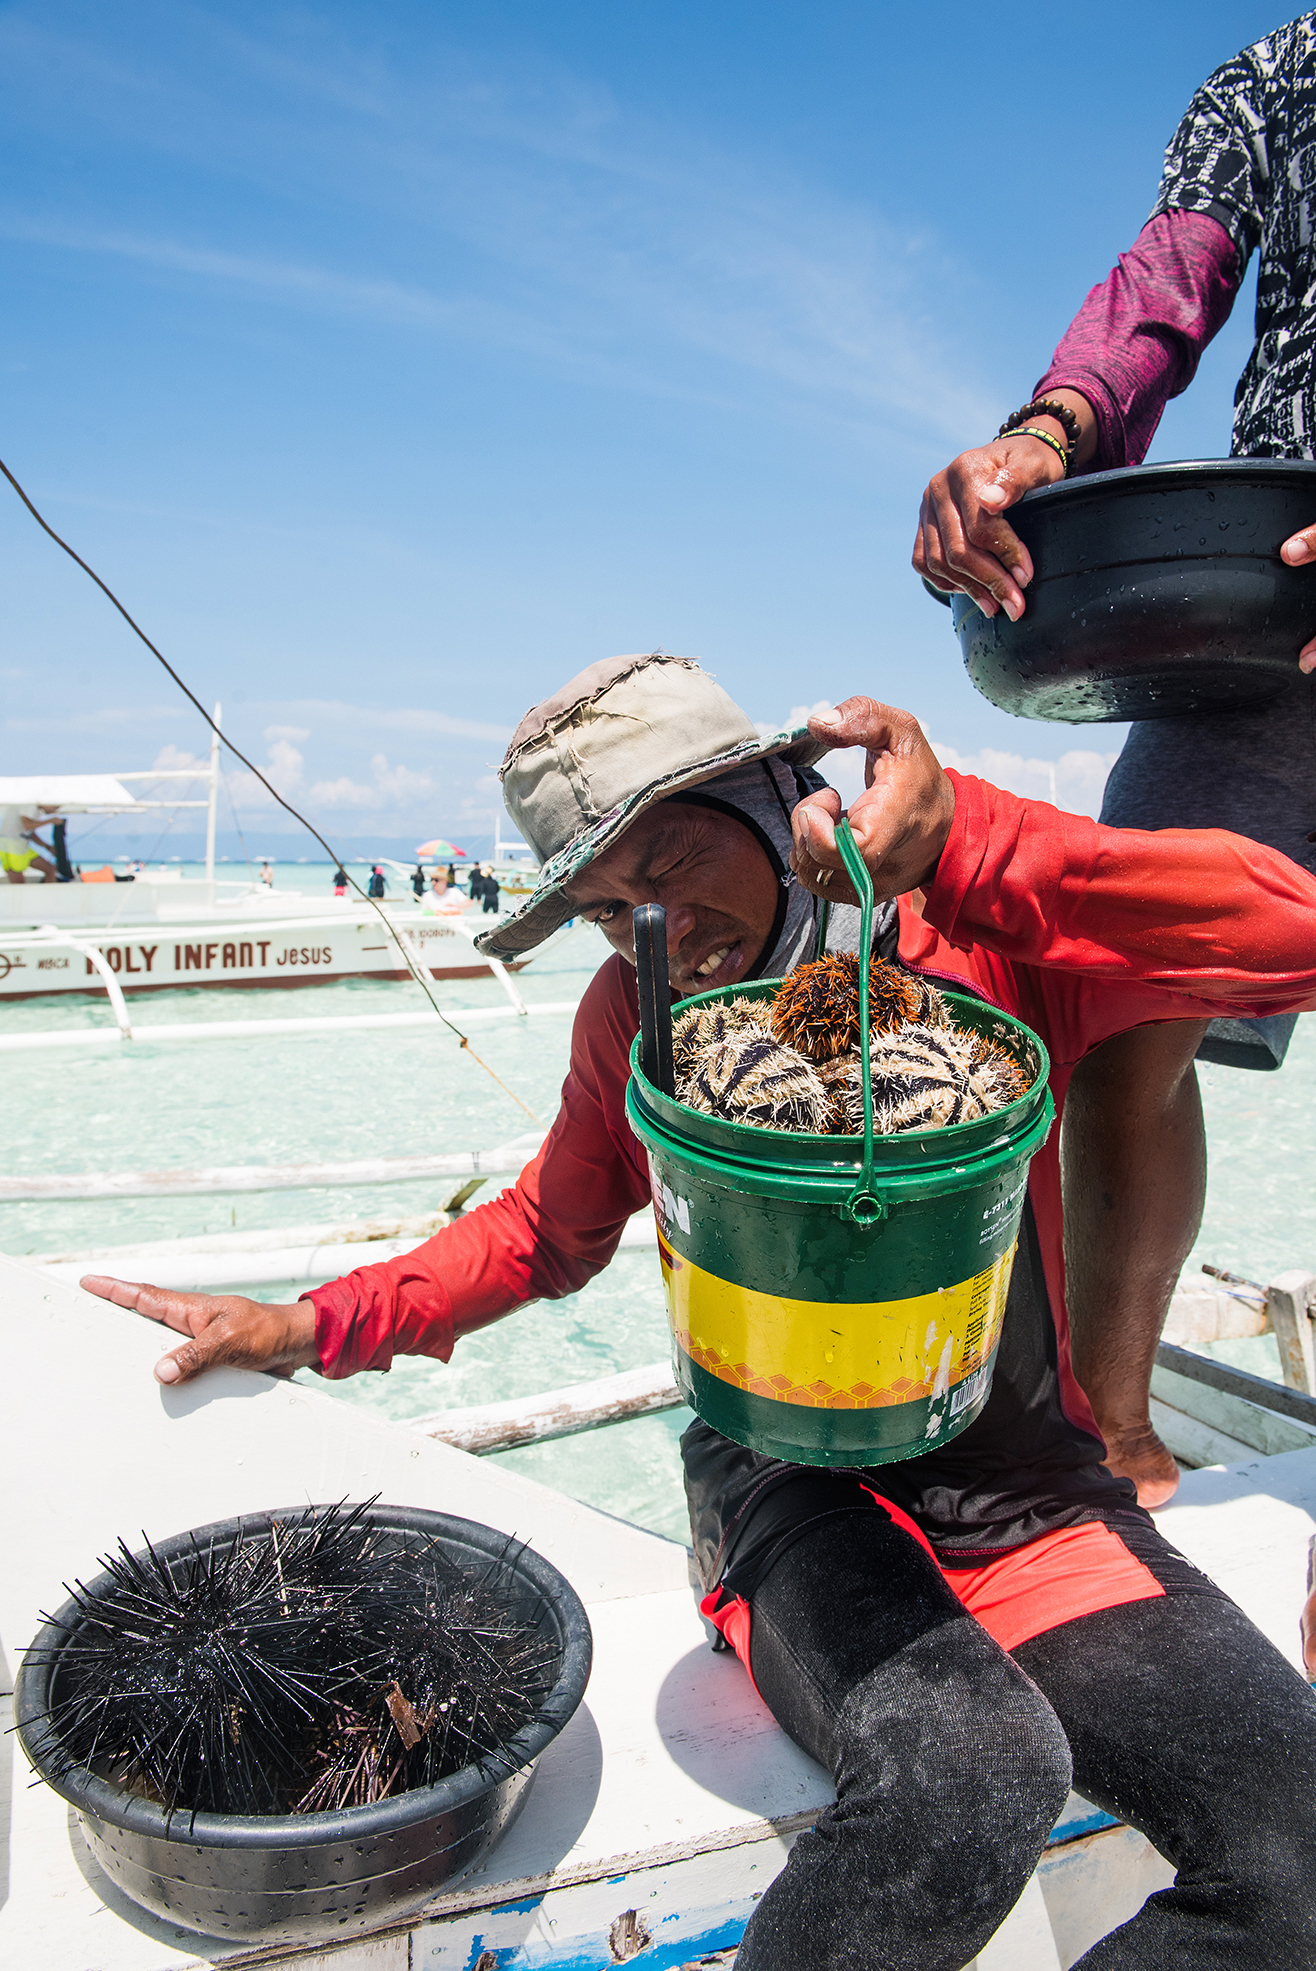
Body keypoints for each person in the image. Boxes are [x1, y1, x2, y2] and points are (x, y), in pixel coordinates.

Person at [83, 653, 1316, 1969]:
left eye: (669, 863)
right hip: (788, 1496)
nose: (653, 923)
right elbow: (545, 1229)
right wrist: (307, 1324)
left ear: (779, 792)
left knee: (1295, 1852)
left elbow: (1286, 940)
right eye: (610, 908)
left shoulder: (981, 925)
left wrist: (975, 843)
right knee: (969, 1775)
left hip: (1023, 1495)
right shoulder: (639, 1012)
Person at [913, 16, 1316, 1507]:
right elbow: (1171, 275)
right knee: (1118, 1026)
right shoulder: (1285, 71)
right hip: (1265, 579)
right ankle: (1117, 1428)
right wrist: (1047, 437)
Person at [0, 805, 56, 884]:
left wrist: (48, 847)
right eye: (55, 807)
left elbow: (30, 833)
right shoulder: (30, 804)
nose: (55, 812)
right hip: (12, 844)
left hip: (21, 845)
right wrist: (51, 821)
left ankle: (49, 894)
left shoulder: (36, 810)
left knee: (50, 869)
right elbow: (27, 825)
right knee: (18, 882)